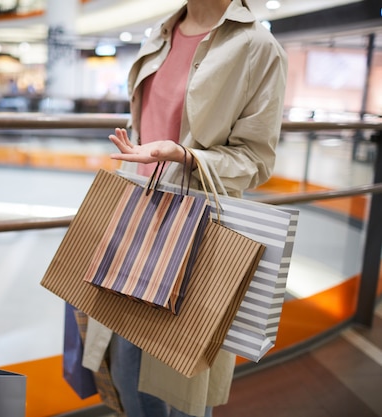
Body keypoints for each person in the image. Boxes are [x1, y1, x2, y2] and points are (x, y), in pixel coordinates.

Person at [83, 0, 287, 416]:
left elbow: (256, 160)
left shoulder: (257, 47)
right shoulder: (160, 34)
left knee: (179, 384)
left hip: (199, 230)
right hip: (137, 218)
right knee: (126, 373)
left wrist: (184, 155)